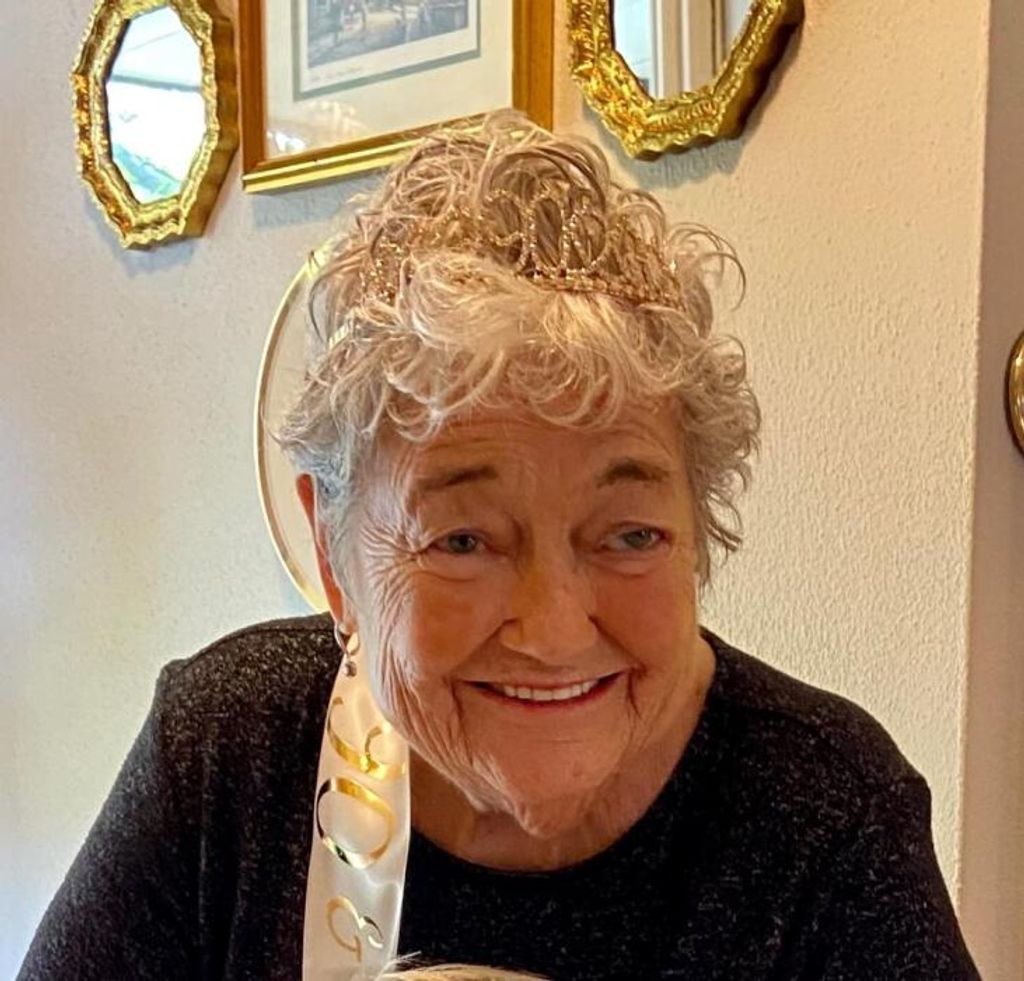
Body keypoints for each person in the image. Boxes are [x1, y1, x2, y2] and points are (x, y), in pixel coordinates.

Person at [18, 112, 979, 980]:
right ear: (334, 555)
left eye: (630, 534)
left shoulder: (826, 817)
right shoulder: (231, 753)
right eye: (464, 539)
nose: (554, 630)